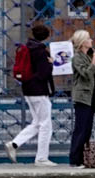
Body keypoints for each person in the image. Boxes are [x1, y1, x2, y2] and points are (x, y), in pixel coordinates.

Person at [4, 23, 56, 165]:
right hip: (39, 90)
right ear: (46, 36)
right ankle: (41, 158)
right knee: (46, 125)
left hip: (28, 89)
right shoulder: (41, 51)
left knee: (37, 122)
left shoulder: (28, 47)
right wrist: (51, 63)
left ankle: (14, 144)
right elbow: (44, 73)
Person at [65, 29, 95, 167]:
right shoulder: (77, 58)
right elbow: (85, 74)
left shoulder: (88, 56)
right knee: (81, 128)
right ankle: (75, 159)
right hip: (82, 97)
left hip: (91, 96)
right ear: (82, 42)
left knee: (87, 129)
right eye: (88, 38)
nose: (91, 40)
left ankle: (84, 158)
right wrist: (93, 62)